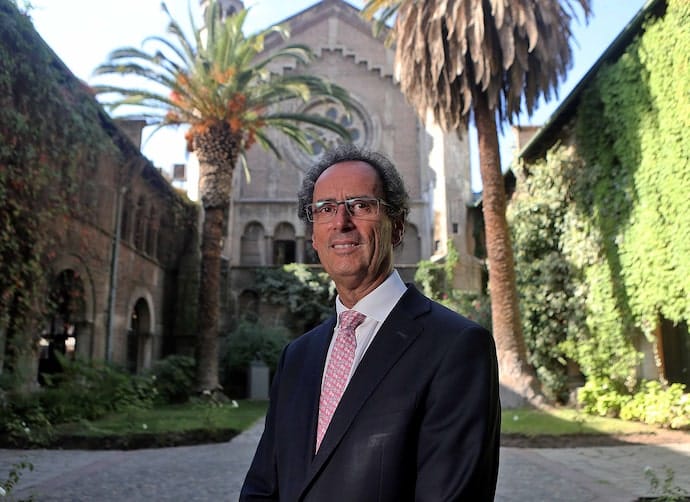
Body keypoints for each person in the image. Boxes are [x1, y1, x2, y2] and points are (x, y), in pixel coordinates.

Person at [240, 144, 501, 501]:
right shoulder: (297, 357)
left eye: (361, 205)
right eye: (326, 209)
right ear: (314, 236)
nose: (341, 222)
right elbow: (261, 487)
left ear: (397, 226)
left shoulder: (456, 347)